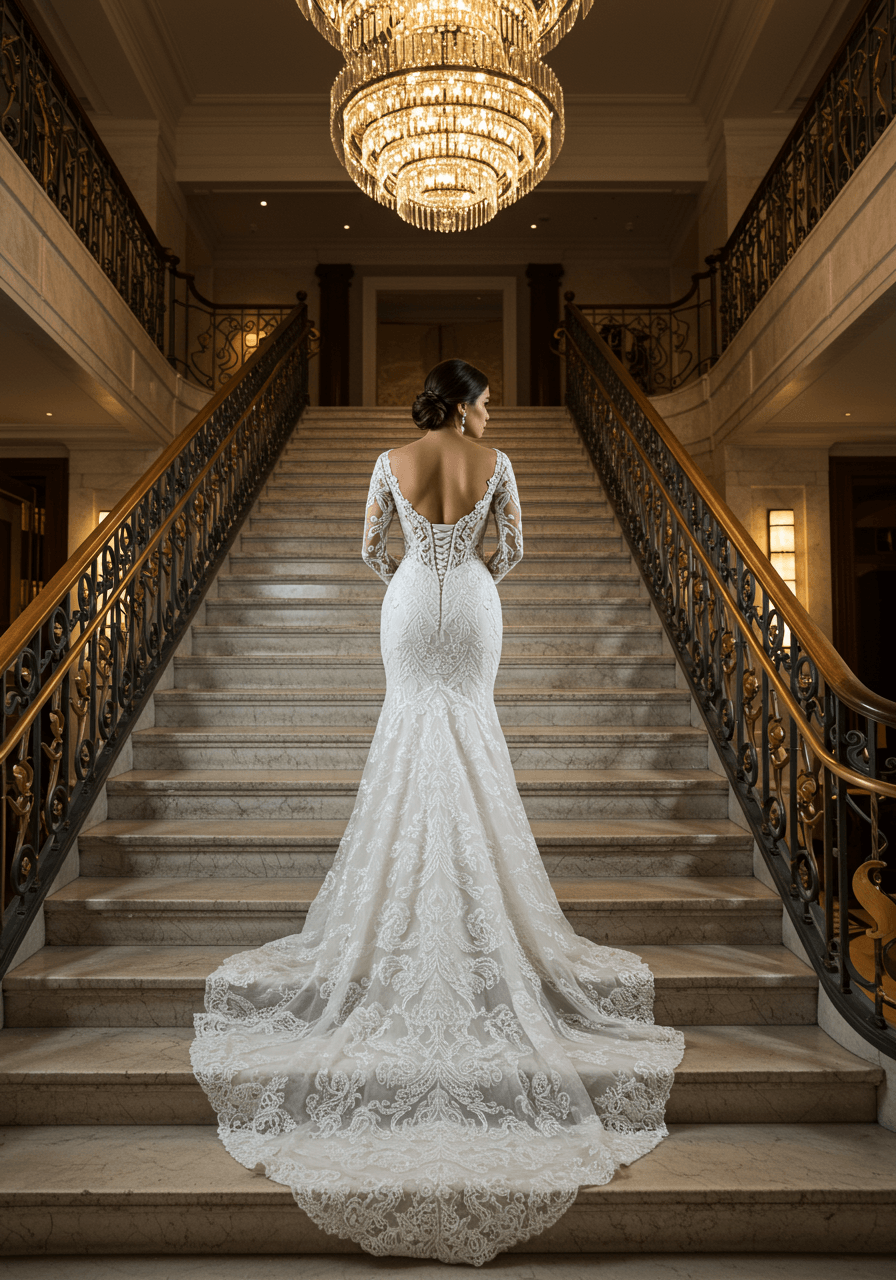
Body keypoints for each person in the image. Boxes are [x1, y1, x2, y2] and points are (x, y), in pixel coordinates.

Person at [191, 358, 685, 1266]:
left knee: (409, 737)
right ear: (462, 403)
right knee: (473, 740)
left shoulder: (387, 459)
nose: (491, 411)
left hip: (412, 603)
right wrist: (472, 561)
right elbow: (517, 551)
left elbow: (370, 550)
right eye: (485, 399)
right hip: (475, 611)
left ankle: (401, 915)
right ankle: (478, 913)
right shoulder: (494, 466)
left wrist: (422, 559)